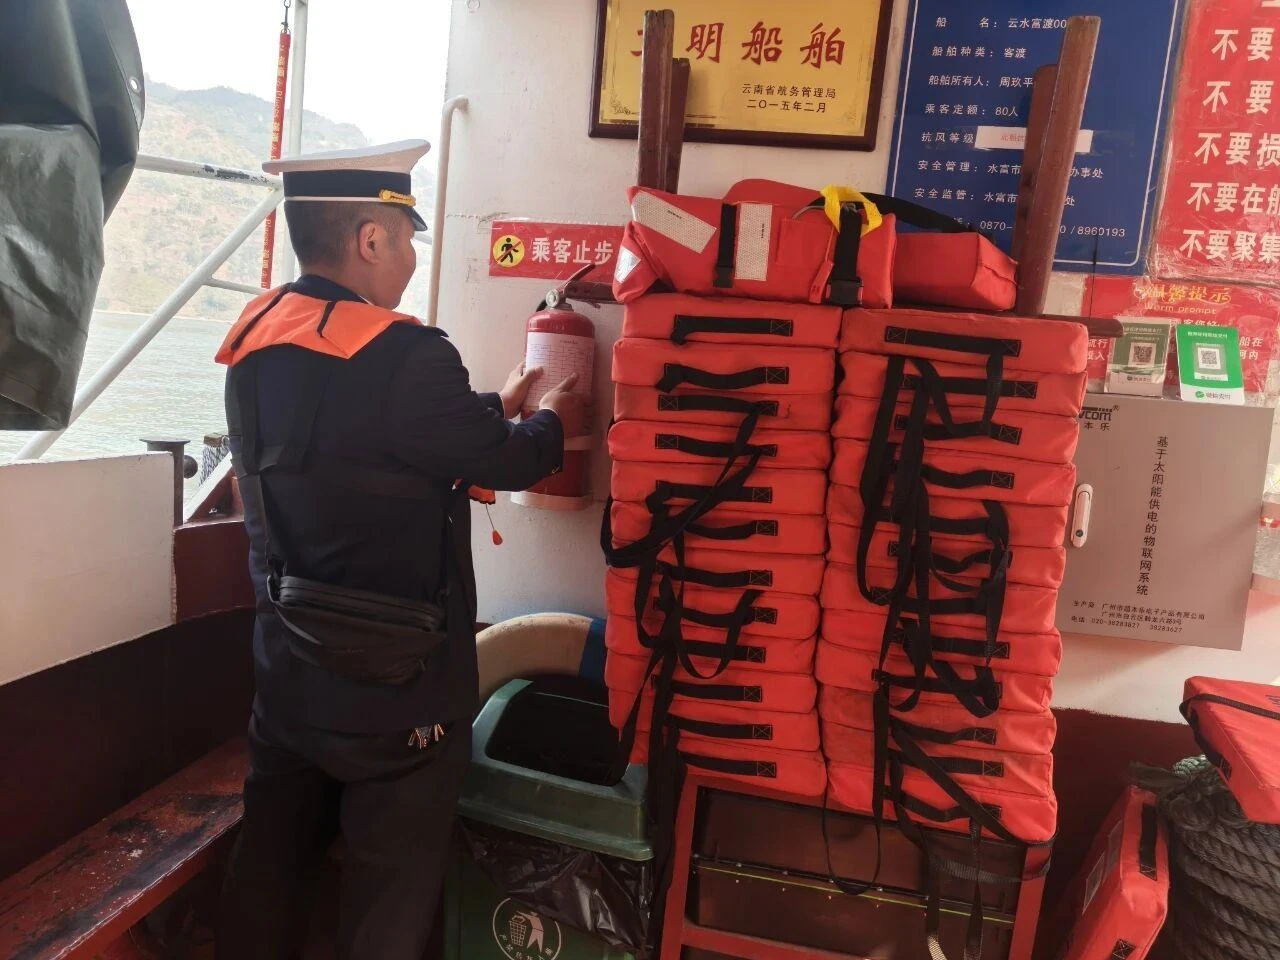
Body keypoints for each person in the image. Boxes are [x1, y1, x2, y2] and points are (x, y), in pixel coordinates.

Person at [213, 140, 585, 960]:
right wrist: (550, 415)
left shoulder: (252, 346)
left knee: (268, 863)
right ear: (371, 239)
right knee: (389, 896)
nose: (412, 260)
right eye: (408, 240)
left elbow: (358, 436)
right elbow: (510, 460)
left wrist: (491, 405)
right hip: (400, 693)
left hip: (289, 671)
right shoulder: (411, 355)